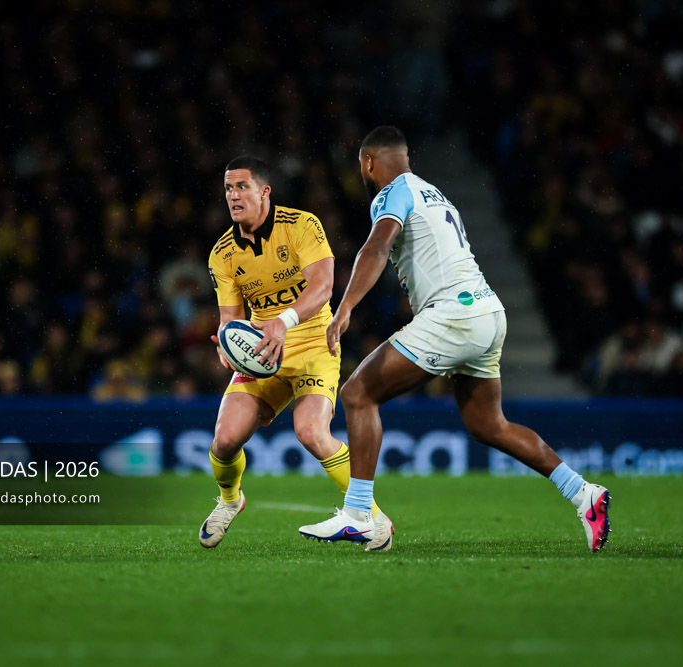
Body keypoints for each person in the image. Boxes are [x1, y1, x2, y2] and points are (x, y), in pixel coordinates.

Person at [298, 127, 611, 553]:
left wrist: (346, 306)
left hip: (454, 314)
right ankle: (583, 493)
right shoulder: (435, 193)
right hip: (487, 310)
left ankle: (357, 515)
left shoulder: (392, 194)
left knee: (357, 394)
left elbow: (374, 248)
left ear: (369, 162)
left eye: (361, 166)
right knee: (488, 425)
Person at [200, 155, 393, 549]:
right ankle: (229, 500)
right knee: (224, 441)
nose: (233, 196)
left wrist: (282, 322)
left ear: (264, 191)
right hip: (262, 351)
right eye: (228, 189)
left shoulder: (301, 225)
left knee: (310, 431)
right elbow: (230, 318)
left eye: (242, 187)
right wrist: (227, 344)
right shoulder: (222, 253)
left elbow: (323, 286)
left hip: (312, 343)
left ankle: (372, 517)